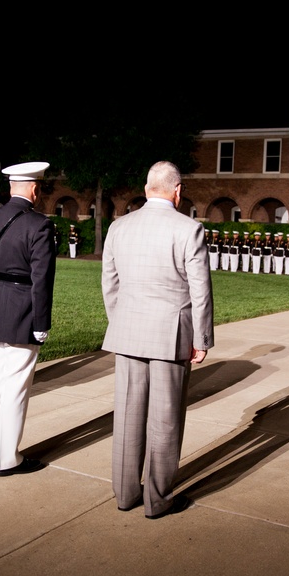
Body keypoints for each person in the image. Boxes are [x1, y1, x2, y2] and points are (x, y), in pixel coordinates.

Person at [102, 161, 214, 519]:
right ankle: (158, 498)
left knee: (128, 415)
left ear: (148, 188)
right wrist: (202, 337)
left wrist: (120, 321)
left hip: (129, 330)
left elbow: (110, 283)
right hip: (171, 335)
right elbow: (200, 290)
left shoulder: (119, 227)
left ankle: (124, 494)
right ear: (177, 191)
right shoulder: (189, 228)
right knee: (165, 418)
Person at [0, 162, 57, 477]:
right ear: (35, 189)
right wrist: (41, 322)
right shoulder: (39, 225)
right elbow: (41, 280)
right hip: (22, 311)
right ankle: (8, 459)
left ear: (11, 187)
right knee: (15, 387)